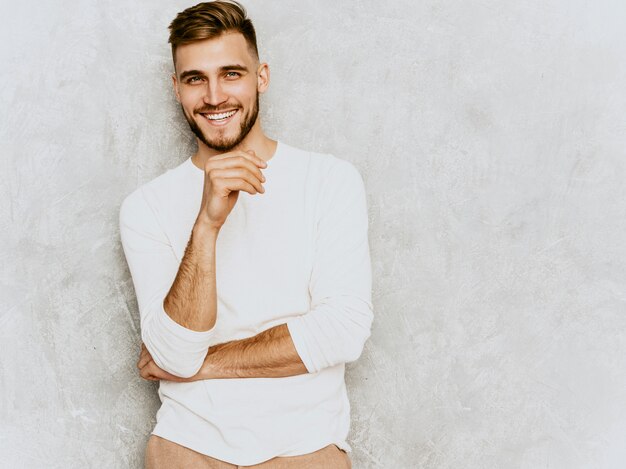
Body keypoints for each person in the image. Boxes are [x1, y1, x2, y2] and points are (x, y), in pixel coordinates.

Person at [118, 1, 373, 467]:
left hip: (305, 450)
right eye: (195, 78)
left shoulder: (329, 180)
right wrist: (207, 224)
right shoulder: (146, 207)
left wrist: (204, 365)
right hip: (187, 449)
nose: (215, 96)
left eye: (232, 73)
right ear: (176, 88)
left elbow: (342, 331)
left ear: (262, 77)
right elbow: (172, 353)